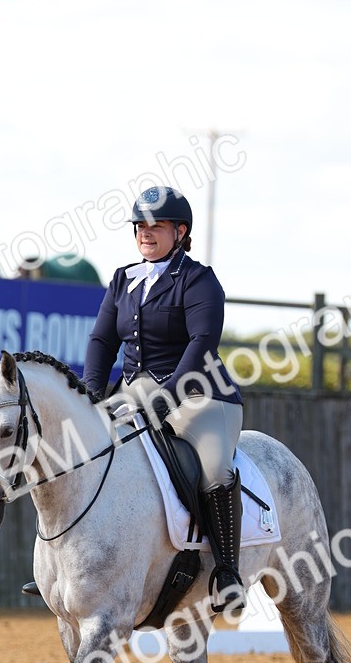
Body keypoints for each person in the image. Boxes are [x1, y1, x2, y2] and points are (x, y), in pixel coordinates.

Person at [81, 185, 245, 612]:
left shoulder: (198, 279)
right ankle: (70, 567)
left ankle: (227, 572)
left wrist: (168, 396)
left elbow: (202, 342)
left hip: (200, 395)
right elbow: (101, 339)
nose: (145, 232)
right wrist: (92, 394)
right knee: (81, 455)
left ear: (180, 230)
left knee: (214, 470)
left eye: (156, 225)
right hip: (133, 391)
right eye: (140, 225)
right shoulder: (123, 279)